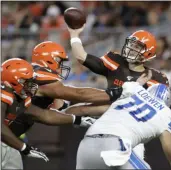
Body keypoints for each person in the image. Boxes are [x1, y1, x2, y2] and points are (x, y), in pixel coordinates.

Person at [67, 26, 170, 168]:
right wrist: (74, 35)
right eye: (131, 43)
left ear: (148, 53)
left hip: (132, 131)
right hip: (107, 121)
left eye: (137, 46)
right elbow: (81, 56)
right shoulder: (115, 61)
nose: (131, 48)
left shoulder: (156, 78)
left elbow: (156, 110)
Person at [1, 58, 97, 169]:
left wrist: (76, 119)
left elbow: (43, 115)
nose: (32, 85)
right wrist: (23, 147)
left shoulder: (21, 98)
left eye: (31, 80)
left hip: (9, 144)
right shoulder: (4, 93)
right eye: (26, 81)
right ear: (11, 80)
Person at [76, 81, 171, 169]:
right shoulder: (166, 113)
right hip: (113, 145)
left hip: (86, 145)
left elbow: (83, 110)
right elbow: (169, 149)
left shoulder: (133, 90)